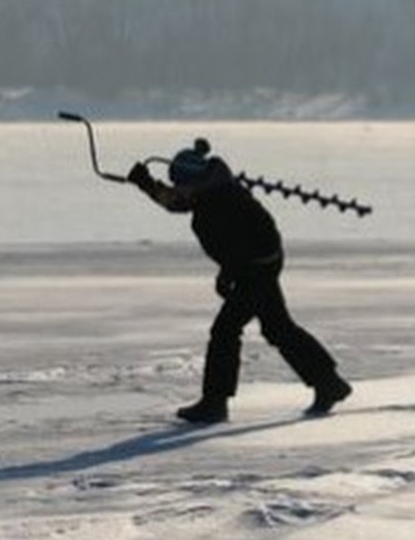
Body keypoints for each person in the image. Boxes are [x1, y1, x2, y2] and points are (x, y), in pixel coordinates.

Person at [127, 138, 352, 425]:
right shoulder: (210, 190)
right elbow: (178, 202)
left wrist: (230, 274)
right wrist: (146, 184)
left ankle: (214, 403)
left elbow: (244, 244)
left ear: (193, 180)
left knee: (225, 330)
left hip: (256, 269)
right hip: (256, 268)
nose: (178, 189)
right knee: (277, 328)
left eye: (180, 183)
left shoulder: (222, 201)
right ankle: (328, 383)